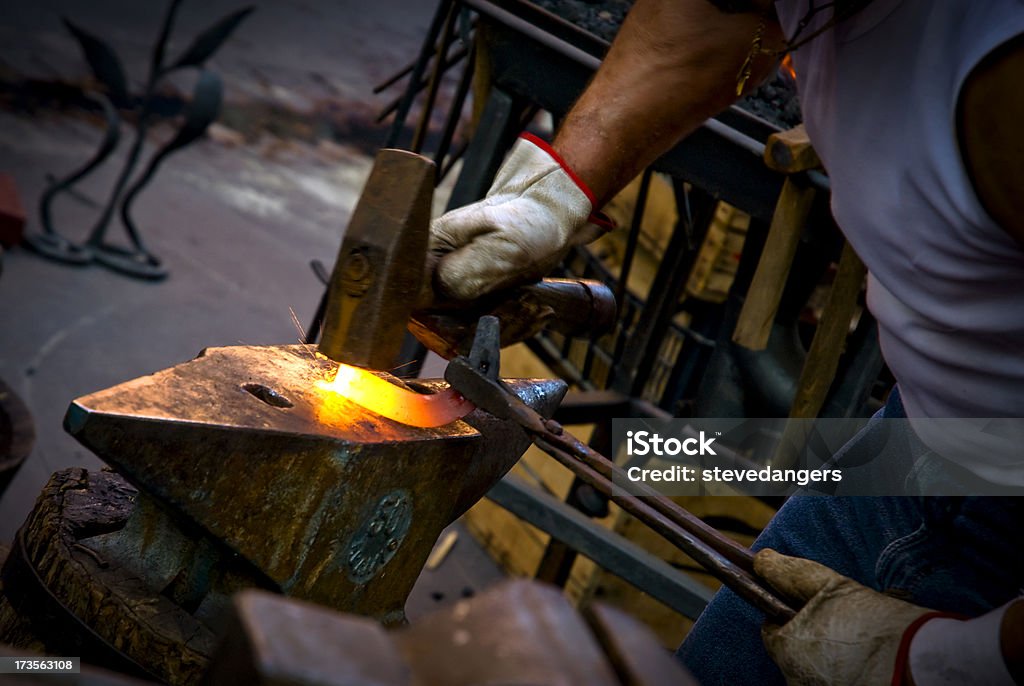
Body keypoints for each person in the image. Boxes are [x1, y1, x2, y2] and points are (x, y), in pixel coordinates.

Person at [429, 0, 1024, 683]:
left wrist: (946, 660)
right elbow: (721, 12)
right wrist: (556, 189)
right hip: (919, 442)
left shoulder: (1003, 78)